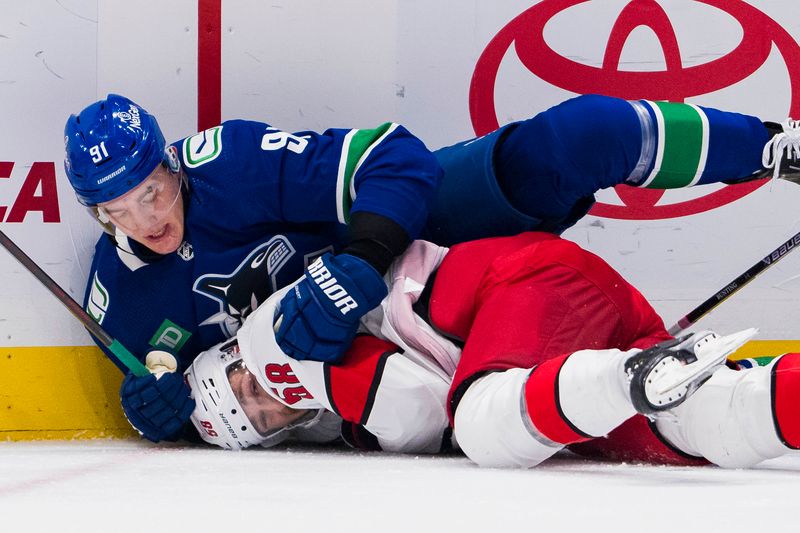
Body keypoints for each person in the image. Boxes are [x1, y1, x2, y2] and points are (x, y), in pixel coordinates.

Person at [63, 93, 800, 443]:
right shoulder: (118, 297)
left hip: (411, 253)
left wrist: (360, 255)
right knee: (495, 414)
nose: (147, 220)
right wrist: (154, 413)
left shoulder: (230, 166)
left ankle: (772, 146)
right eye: (118, 211)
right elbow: (218, 402)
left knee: (583, 136)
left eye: (152, 192)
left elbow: (394, 158)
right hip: (406, 348)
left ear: (169, 163)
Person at [187, 232, 800, 470]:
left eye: (246, 386)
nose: (271, 399)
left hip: (524, 288)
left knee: (481, 423)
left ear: (237, 355)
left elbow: (425, 409)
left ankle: (631, 375)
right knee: (705, 426)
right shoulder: (336, 412)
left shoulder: (279, 333)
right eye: (265, 423)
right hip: (562, 345)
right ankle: (650, 378)